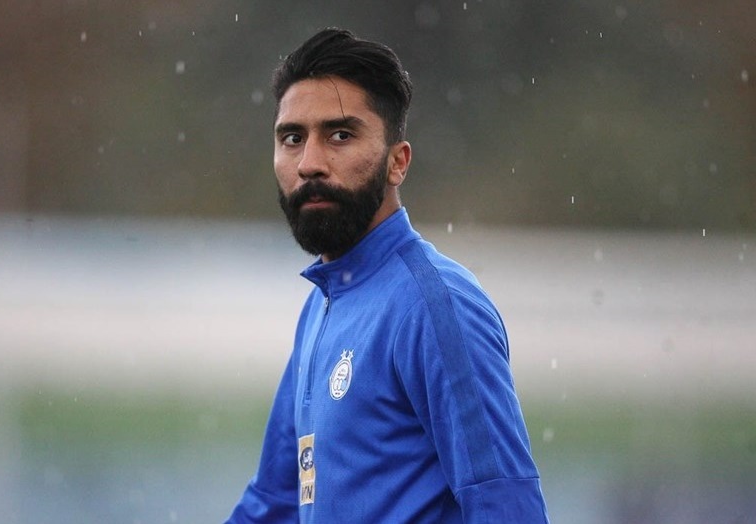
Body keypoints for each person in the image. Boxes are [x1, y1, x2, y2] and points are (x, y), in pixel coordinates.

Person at [225, 28, 549, 523]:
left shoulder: (435, 305)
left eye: (340, 135)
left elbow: (504, 505)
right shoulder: (323, 305)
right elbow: (276, 503)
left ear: (398, 162)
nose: (310, 163)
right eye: (293, 138)